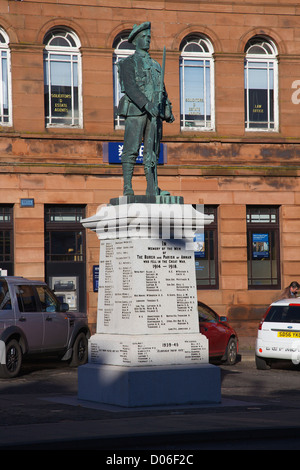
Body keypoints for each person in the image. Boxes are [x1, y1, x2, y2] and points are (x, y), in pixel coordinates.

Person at [117, 22, 174, 196]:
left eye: (149, 37)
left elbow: (161, 89)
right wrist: (147, 105)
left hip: (155, 113)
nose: (148, 40)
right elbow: (131, 88)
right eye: (144, 37)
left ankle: (152, 187)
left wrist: (167, 109)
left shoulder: (156, 65)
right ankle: (128, 186)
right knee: (131, 148)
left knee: (152, 150)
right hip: (136, 110)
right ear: (135, 41)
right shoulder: (128, 63)